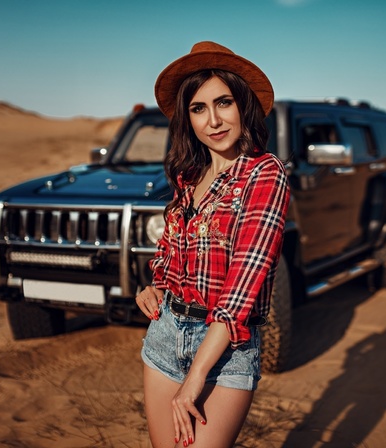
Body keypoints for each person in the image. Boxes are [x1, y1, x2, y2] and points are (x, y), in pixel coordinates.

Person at [136, 41, 290, 448]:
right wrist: (156, 287)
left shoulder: (265, 174)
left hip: (226, 351)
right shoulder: (189, 176)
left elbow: (242, 288)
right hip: (165, 334)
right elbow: (169, 253)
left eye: (224, 103)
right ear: (187, 119)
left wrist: (195, 378)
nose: (214, 120)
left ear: (243, 105)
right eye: (198, 108)